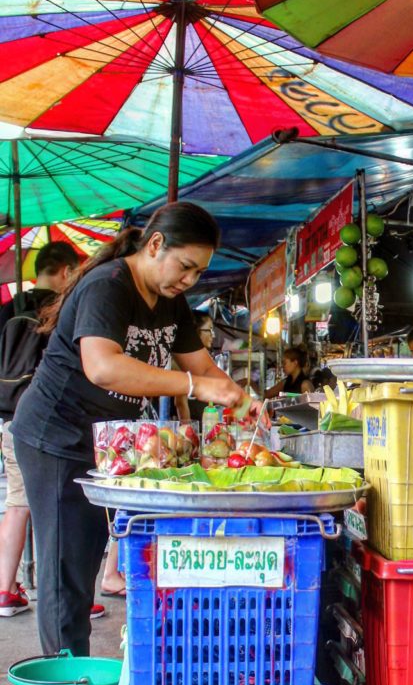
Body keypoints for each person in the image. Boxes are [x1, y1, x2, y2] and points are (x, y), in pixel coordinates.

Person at [11, 202, 252, 656]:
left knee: (90, 554)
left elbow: (203, 368)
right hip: (54, 436)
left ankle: (79, 665)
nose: (189, 280)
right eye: (185, 267)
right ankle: (67, 678)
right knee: (68, 567)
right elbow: (103, 368)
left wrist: (244, 400)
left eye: (198, 272)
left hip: (106, 444)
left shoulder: (172, 303)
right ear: (156, 244)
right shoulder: (109, 286)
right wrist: (193, 385)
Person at [0, 242, 80, 617]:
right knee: (54, 509)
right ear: (66, 271)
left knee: (17, 503)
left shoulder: (7, 310)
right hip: (49, 423)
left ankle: (5, 588)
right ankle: (59, 594)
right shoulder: (60, 312)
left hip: (8, 419)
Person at [174, 311, 216, 422]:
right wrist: (187, 429)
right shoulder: (183, 363)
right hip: (191, 425)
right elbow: (180, 403)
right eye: (209, 330)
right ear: (196, 332)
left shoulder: (202, 362)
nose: (213, 335)